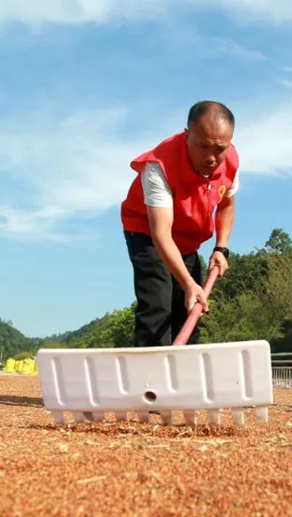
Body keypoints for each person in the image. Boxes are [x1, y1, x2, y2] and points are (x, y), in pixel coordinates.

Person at [120, 101, 239, 347]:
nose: (211, 157)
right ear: (187, 136)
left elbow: (227, 204)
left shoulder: (230, 161)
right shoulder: (159, 165)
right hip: (147, 233)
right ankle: (150, 380)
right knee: (158, 303)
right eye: (202, 146)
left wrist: (221, 248)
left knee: (191, 307)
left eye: (219, 148)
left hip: (187, 239)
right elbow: (161, 234)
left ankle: (186, 377)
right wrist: (187, 283)